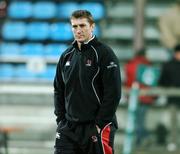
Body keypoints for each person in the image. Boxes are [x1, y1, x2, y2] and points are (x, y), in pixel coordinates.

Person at [53, 10, 121, 154]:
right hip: (68, 128)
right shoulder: (66, 56)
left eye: (82, 25)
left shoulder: (104, 53)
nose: (78, 30)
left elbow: (114, 93)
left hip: (95, 127)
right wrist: (61, 120)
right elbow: (58, 89)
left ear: (92, 26)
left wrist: (100, 123)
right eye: (75, 26)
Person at [124, 48, 154, 146]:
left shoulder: (129, 65)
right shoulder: (148, 65)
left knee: (136, 120)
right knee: (141, 120)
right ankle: (143, 138)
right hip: (145, 96)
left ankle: (139, 140)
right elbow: (151, 81)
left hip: (133, 95)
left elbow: (127, 81)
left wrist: (127, 95)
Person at [158, 44, 180, 151]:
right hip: (173, 99)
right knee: (173, 122)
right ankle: (173, 142)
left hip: (174, 98)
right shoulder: (168, 65)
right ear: (175, 53)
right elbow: (162, 81)